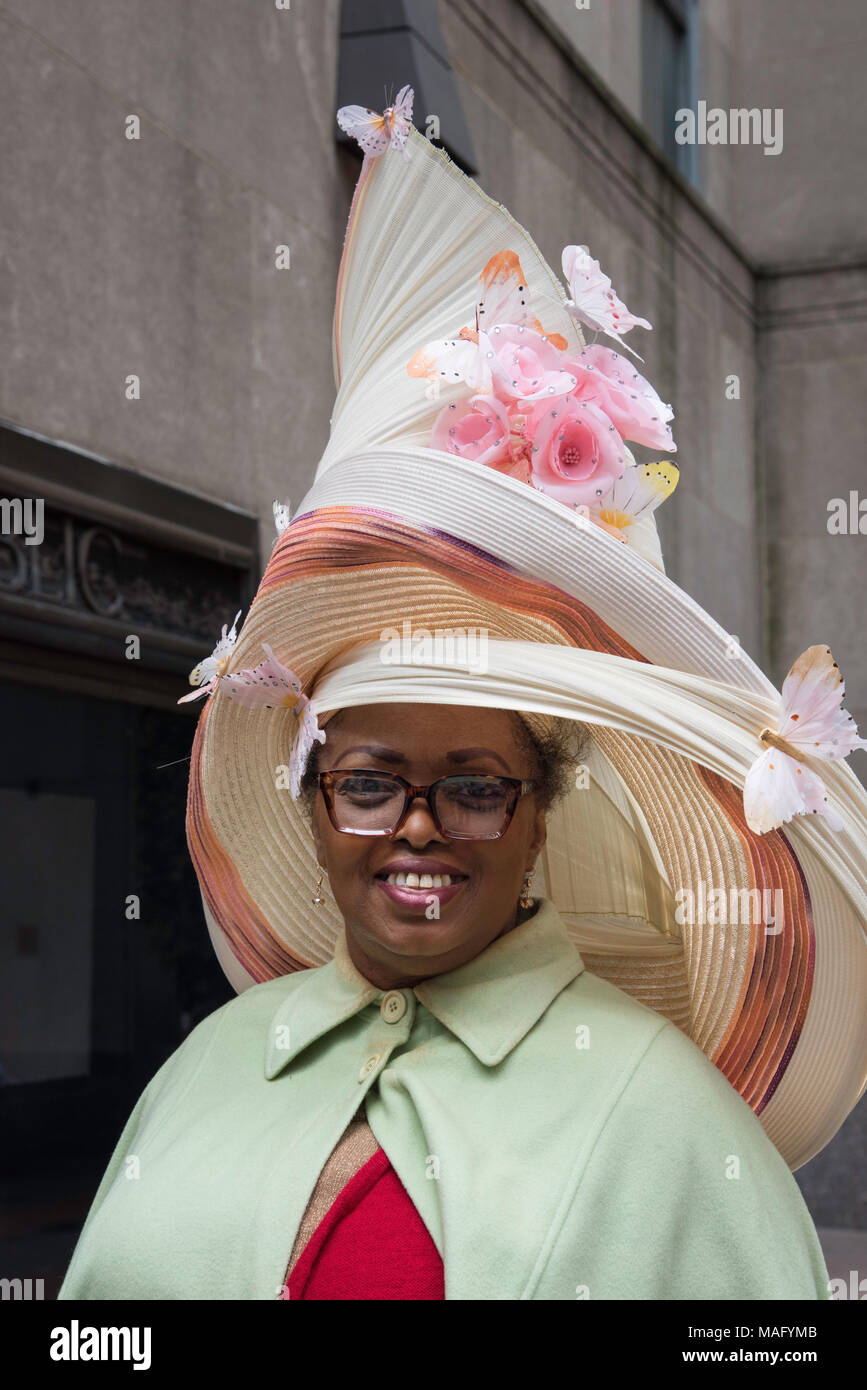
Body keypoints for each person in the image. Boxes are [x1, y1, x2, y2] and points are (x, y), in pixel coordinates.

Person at [58, 92, 867, 1302]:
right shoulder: (210, 1068)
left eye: (477, 787)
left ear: (543, 810)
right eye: (372, 781)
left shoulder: (669, 1123)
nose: (418, 826)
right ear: (314, 804)